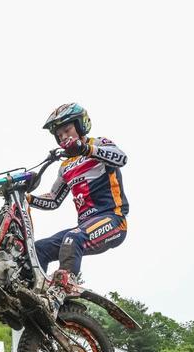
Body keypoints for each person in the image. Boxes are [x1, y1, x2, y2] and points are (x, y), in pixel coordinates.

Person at [28, 103, 128, 297]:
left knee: (72, 237)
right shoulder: (65, 167)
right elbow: (53, 200)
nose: (64, 137)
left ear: (81, 125)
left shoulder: (99, 144)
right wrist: (28, 198)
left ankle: (62, 290)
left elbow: (122, 159)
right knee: (39, 248)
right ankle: (37, 294)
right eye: (59, 135)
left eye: (67, 130)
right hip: (84, 226)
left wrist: (85, 149)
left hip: (113, 220)